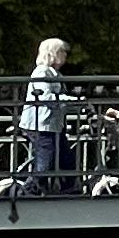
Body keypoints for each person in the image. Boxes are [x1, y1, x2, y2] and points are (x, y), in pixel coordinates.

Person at [17, 38, 74, 198]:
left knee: (67, 161)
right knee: (45, 165)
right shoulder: (42, 72)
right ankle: (26, 194)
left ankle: (67, 194)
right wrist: (72, 100)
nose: (65, 55)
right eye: (62, 51)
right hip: (41, 126)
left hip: (54, 126)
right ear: (52, 53)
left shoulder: (55, 74)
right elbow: (46, 97)